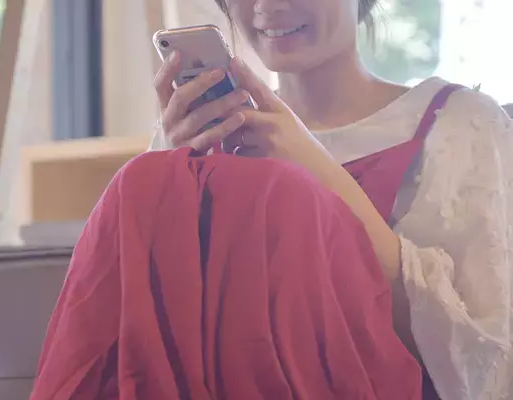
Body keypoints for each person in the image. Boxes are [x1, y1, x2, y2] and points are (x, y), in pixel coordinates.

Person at [148, 0, 513, 398]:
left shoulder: (458, 124)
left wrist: (317, 171)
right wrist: (170, 177)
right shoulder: (204, 131)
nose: (268, 6)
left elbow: (483, 366)